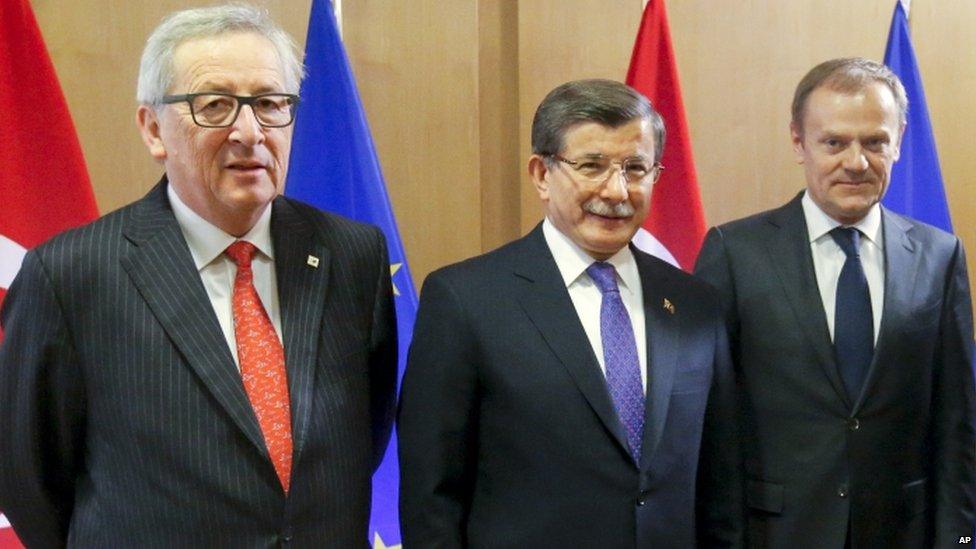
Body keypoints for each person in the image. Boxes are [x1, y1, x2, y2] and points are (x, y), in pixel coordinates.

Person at [0, 4, 397, 546]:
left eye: (269, 103)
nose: (250, 131)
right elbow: (30, 479)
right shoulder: (70, 274)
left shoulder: (352, 255)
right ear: (153, 129)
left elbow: (363, 436)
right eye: (215, 105)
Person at [398, 79, 742, 548]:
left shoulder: (696, 303)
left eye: (636, 168)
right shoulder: (466, 299)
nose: (616, 190)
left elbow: (720, 483)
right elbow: (431, 494)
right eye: (592, 166)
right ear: (541, 174)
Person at [694, 57, 975, 548]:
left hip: (902, 531)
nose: (856, 162)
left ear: (899, 141)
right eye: (834, 142)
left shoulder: (940, 255)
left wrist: (959, 541)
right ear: (798, 142)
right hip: (775, 532)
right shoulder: (734, 253)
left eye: (874, 142)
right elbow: (712, 422)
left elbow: (957, 420)